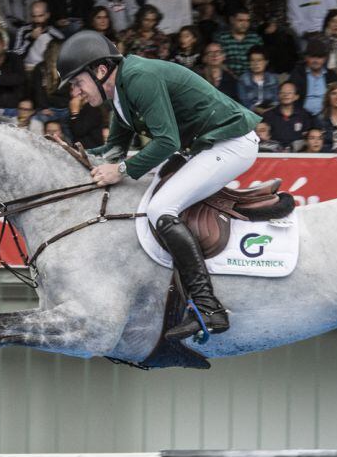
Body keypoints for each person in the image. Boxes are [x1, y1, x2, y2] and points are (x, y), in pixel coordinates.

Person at [57, 30, 262, 340]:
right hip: (205, 147)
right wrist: (66, 155)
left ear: (100, 71)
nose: (76, 92)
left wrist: (122, 170)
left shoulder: (138, 78)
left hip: (231, 143)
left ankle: (208, 307)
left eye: (77, 82)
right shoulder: (120, 92)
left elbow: (166, 141)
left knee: (159, 208)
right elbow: (111, 151)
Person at [263, 80, 313, 150]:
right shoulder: (268, 115)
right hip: (274, 154)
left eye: (289, 92)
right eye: (282, 92)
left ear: (296, 96)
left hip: (298, 154)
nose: (285, 95)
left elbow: (307, 138)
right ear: (278, 95)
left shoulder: (304, 115)